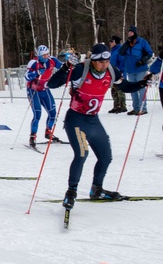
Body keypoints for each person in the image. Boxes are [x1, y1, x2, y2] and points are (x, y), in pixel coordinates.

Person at [47, 43, 150, 208]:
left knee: (106, 157)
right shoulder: (81, 69)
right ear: (93, 60)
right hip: (76, 120)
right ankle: (71, 191)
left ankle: (97, 189)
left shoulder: (111, 70)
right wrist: (66, 67)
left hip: (93, 120)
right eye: (101, 61)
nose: (104, 64)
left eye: (107, 60)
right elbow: (52, 84)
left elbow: (125, 87)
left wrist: (142, 83)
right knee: (82, 154)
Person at [25, 45, 61, 147]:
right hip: (33, 90)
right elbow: (27, 76)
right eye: (43, 55)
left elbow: (62, 67)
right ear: (39, 56)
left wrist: (69, 64)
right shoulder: (33, 62)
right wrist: (36, 72)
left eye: (47, 54)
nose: (46, 57)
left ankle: (48, 132)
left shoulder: (52, 60)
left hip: (45, 89)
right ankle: (32, 136)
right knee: (37, 114)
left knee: (53, 113)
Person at [116, 25, 153, 115]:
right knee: (133, 89)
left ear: (135, 33)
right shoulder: (127, 44)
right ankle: (135, 108)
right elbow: (121, 53)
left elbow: (149, 53)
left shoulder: (142, 42)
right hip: (130, 70)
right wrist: (126, 44)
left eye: (131, 32)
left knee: (141, 89)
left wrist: (142, 60)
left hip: (140, 69)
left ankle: (143, 108)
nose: (130, 34)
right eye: (129, 33)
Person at [107, 35, 128, 113]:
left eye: (111, 41)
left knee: (120, 89)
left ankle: (122, 105)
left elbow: (122, 62)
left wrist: (121, 71)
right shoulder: (113, 50)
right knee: (114, 90)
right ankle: (116, 105)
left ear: (115, 42)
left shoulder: (120, 50)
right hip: (113, 72)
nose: (110, 43)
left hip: (119, 72)